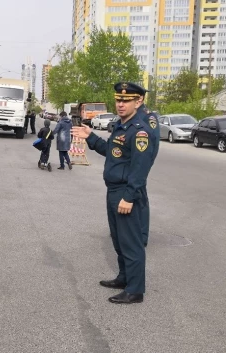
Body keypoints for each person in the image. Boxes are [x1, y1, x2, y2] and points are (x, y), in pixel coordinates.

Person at [71, 82, 156, 305]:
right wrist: (90, 136)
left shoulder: (140, 131)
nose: (120, 104)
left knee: (131, 243)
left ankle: (135, 290)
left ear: (138, 101)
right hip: (114, 190)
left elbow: (140, 169)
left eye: (126, 100)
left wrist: (129, 197)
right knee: (119, 240)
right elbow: (112, 152)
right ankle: (124, 278)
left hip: (127, 192)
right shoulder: (122, 126)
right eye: (118, 100)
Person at [137, 93, 160, 247]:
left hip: (139, 166)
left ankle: (142, 235)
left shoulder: (148, 117)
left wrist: (145, 167)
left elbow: (154, 142)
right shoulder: (128, 116)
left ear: (140, 99)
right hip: (126, 166)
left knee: (140, 200)